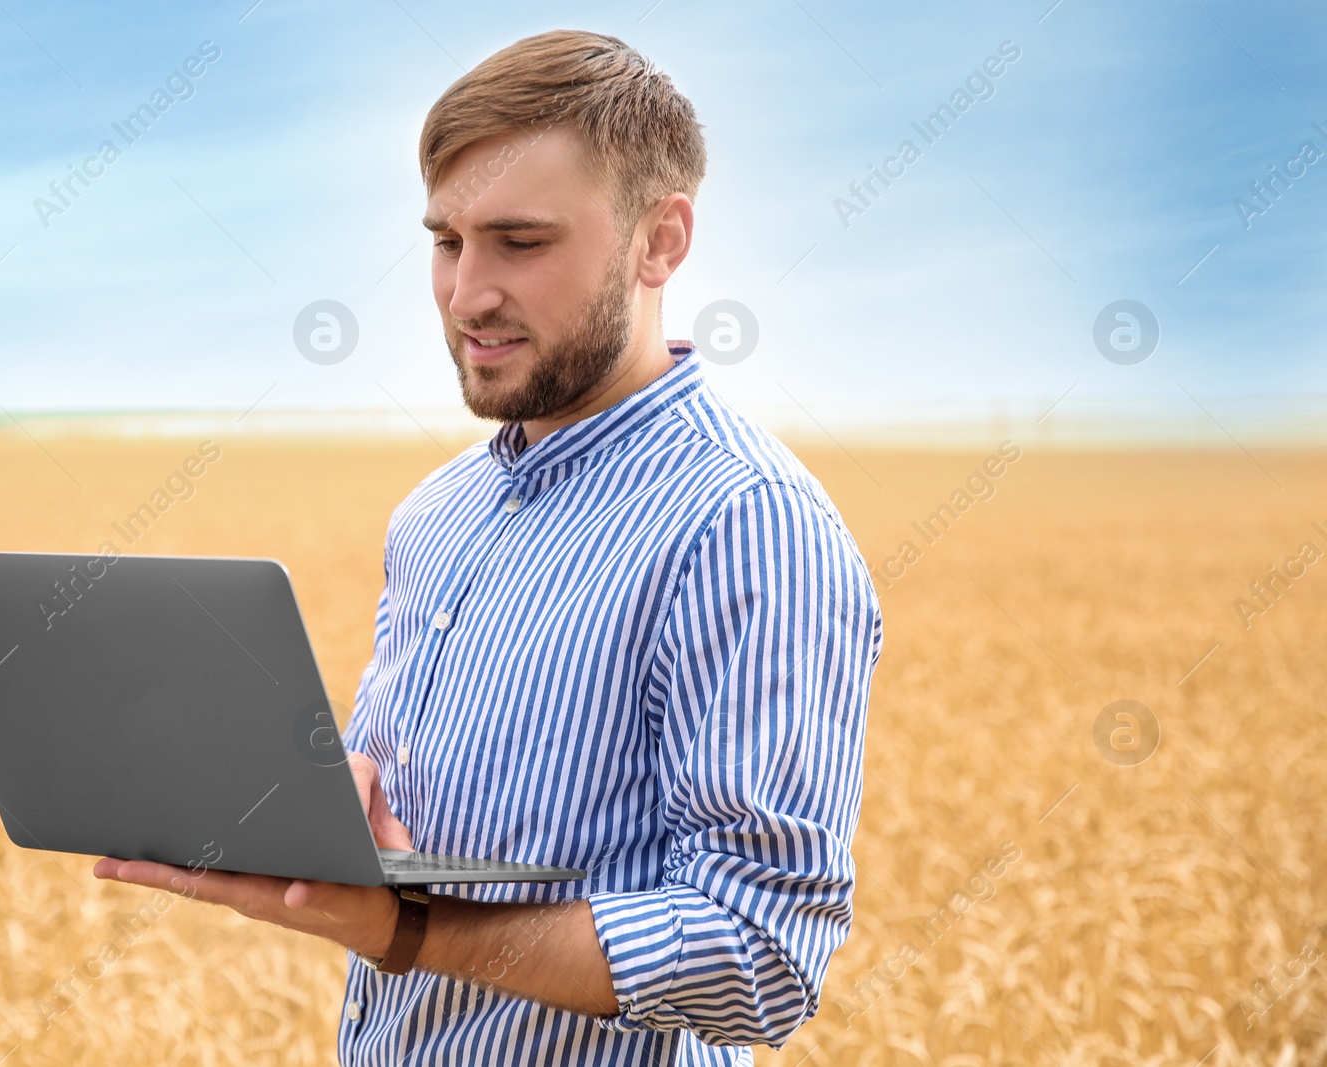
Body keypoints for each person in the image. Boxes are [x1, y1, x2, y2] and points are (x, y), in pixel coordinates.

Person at [95, 28, 883, 1065]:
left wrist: (410, 931)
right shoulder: (439, 511)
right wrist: (330, 821)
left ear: (661, 240)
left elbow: (762, 955)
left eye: (520, 241)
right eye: (446, 240)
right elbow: (418, 836)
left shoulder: (745, 523)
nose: (467, 294)